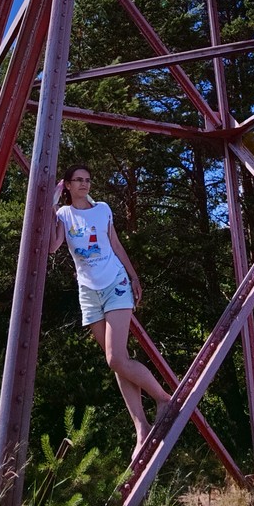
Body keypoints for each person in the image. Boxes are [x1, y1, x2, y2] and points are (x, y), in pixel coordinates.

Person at [51, 164, 169, 457]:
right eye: (78, 180)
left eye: (87, 180)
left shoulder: (102, 209)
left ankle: (163, 398)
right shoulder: (64, 215)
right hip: (88, 293)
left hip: (115, 283)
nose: (84, 184)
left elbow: (115, 243)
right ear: (66, 185)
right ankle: (141, 427)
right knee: (116, 361)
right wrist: (51, 204)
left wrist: (133, 275)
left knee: (116, 357)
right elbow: (53, 247)